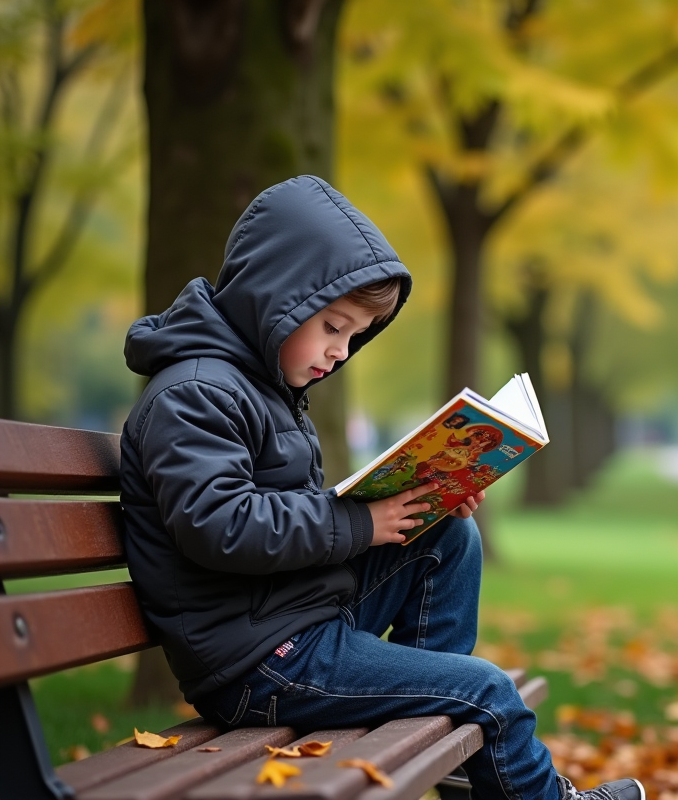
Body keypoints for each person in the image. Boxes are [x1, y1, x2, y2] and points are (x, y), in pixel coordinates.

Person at [119, 175, 643, 800]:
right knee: (488, 689)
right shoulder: (196, 393)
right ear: (274, 297)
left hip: (290, 622)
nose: (341, 351)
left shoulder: (256, 386)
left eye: (352, 336)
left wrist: (423, 492)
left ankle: (446, 753)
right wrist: (361, 522)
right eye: (333, 327)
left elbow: (274, 512)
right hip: (259, 666)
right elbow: (222, 526)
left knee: (444, 529)